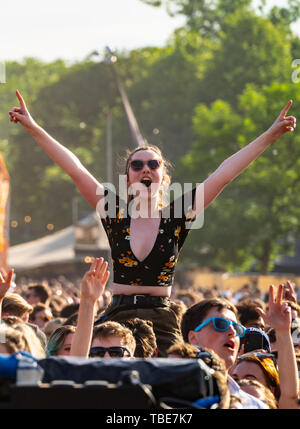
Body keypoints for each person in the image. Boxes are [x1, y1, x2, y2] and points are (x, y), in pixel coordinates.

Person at [9, 90, 296, 356]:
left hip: (163, 320)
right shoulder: (114, 212)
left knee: (179, 377)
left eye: (153, 164)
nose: (145, 168)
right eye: (137, 165)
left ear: (163, 177)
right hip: (118, 317)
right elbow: (75, 168)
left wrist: (269, 136)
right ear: (128, 178)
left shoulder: (177, 215)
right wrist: (34, 127)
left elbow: (223, 174)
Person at [181, 296, 268, 408]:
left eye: (237, 328)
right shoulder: (164, 397)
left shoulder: (253, 405)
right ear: (193, 338)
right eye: (220, 324)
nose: (232, 331)